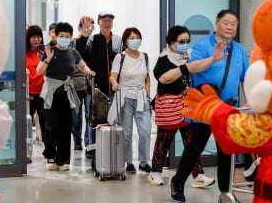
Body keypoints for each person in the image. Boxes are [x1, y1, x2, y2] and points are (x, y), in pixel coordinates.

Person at [170, 10, 249, 203]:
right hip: (205, 107)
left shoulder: (239, 50)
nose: (230, 27)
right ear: (217, 24)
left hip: (227, 109)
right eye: (226, 23)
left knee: (226, 154)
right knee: (194, 148)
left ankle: (226, 195)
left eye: (233, 24)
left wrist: (249, 100)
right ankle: (177, 182)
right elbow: (194, 67)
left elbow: (246, 78)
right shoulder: (203, 46)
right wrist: (213, 59)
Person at [149, 25, 227, 187]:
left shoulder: (190, 56)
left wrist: (213, 59)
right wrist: (184, 68)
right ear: (171, 42)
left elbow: (200, 67)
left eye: (187, 41)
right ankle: (155, 171)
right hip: (170, 107)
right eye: (181, 41)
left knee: (192, 141)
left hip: (187, 106)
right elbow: (163, 78)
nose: (185, 44)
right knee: (164, 141)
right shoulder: (164, 58)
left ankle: (198, 175)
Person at [37, 22, 95, 171]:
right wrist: (47, 59)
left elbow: (82, 65)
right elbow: (39, 71)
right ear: (55, 36)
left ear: (70, 38)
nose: (64, 38)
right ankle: (51, 156)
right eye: (61, 36)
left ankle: (63, 160)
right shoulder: (50, 51)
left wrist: (89, 71)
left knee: (65, 127)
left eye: (67, 36)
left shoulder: (73, 52)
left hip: (67, 93)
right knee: (51, 126)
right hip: (51, 93)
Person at [109, 27, 152, 174]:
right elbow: (113, 76)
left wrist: (147, 89)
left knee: (145, 131)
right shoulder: (120, 57)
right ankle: (128, 161)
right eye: (131, 38)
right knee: (126, 133)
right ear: (126, 41)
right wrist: (114, 84)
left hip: (141, 97)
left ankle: (144, 161)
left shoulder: (144, 56)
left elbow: (147, 77)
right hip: (125, 96)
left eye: (137, 37)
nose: (135, 40)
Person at [85, 11, 123, 101]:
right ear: (98, 22)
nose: (107, 23)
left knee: (113, 114)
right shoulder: (92, 39)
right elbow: (85, 60)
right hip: (95, 88)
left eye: (110, 21)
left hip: (114, 87)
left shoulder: (118, 40)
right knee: (93, 114)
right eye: (104, 20)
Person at [70, 16, 95, 151]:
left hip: (90, 84)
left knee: (90, 114)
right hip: (75, 83)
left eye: (91, 27)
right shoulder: (73, 42)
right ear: (80, 27)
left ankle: (89, 143)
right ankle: (77, 140)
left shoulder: (94, 42)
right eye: (85, 26)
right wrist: (83, 37)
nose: (88, 29)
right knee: (76, 115)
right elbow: (76, 58)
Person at [25, 25, 45, 141]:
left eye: (39, 37)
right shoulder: (23, 53)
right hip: (29, 93)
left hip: (43, 92)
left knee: (45, 122)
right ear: (28, 38)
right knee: (27, 122)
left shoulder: (44, 53)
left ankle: (48, 152)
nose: (37, 40)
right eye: (33, 37)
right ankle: (26, 151)